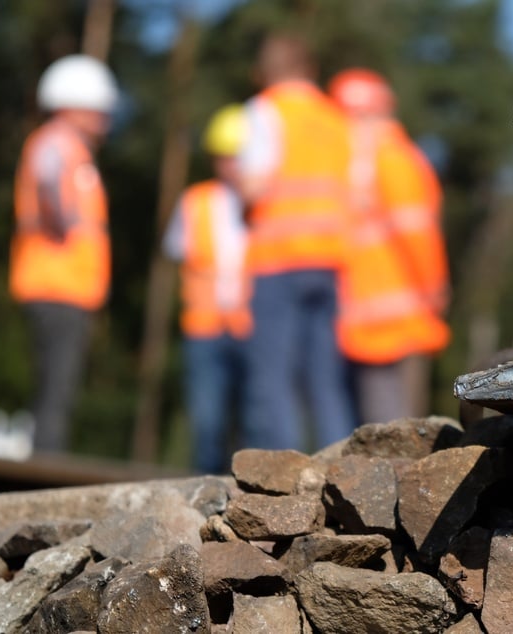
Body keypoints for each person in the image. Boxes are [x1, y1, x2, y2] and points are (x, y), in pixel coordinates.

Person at [236, 33, 357, 452]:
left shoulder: (263, 111)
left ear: (266, 71)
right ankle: (341, 469)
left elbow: (252, 186)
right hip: (328, 260)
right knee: (326, 379)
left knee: (272, 377)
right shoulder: (335, 119)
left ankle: (279, 481)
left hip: (277, 260)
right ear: (310, 69)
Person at [327, 68, 451, 424]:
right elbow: (418, 233)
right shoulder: (394, 160)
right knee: (394, 434)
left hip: (374, 322)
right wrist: (435, 288)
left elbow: (412, 232)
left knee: (381, 434)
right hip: (396, 317)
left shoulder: (368, 166)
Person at [10, 54, 119, 453]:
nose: (105, 119)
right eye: (100, 109)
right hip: (57, 284)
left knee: (56, 391)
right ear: (76, 104)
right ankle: (42, 477)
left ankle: (43, 463)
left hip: (66, 286)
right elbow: (48, 183)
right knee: (56, 391)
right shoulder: (58, 142)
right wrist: (60, 216)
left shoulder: (67, 147)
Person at [162, 104, 251, 473]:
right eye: (223, 157)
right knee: (207, 422)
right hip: (204, 328)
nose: (229, 164)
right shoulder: (195, 201)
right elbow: (175, 250)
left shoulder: (264, 204)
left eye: (237, 157)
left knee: (252, 422)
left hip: (252, 328)